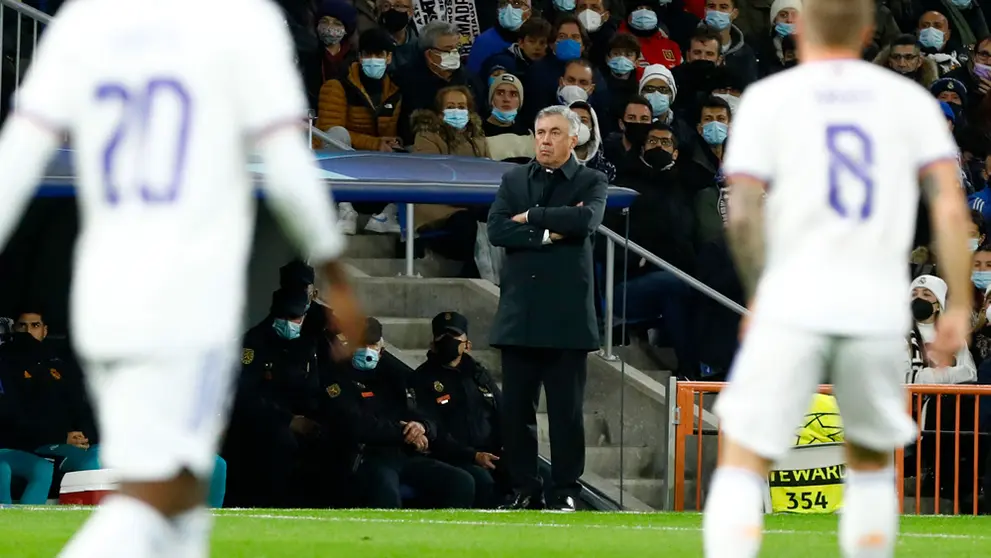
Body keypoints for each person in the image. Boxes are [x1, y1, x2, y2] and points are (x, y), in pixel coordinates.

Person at [0, 0, 367, 555]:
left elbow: (20, 150)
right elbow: (287, 158)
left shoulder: (89, 21)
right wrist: (333, 265)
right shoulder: (245, 24)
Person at [702, 1, 972, 558]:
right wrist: (960, 308)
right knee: (871, 461)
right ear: (870, 33)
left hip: (793, 296)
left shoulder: (768, 99)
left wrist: (758, 293)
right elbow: (949, 208)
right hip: (875, 302)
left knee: (745, 453)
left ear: (799, 26)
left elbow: (747, 210)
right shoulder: (908, 101)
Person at [487, 105, 607, 511]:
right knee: (516, 412)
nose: (545, 140)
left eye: (555, 133)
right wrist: (549, 231)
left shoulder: (592, 180)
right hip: (519, 315)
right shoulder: (514, 178)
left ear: (574, 139)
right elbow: (499, 229)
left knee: (565, 414)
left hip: (567, 320)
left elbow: (587, 222)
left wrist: (531, 217)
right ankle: (524, 486)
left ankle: (566, 490)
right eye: (540, 132)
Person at [321, 317, 476, 508]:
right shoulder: (335, 377)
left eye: (372, 344)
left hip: (403, 455)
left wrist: (422, 427)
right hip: (365, 457)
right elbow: (355, 424)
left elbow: (423, 413)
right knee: (385, 490)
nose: (367, 349)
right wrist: (404, 433)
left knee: (460, 482)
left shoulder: (394, 375)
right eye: (361, 343)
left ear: (381, 348)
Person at [412, 311, 508, 508]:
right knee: (482, 482)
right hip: (455, 457)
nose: (448, 341)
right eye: (442, 336)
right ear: (433, 343)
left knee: (537, 476)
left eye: (454, 337)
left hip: (492, 453)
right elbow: (435, 432)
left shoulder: (479, 375)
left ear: (467, 345)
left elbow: (503, 413)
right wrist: (472, 455)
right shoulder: (422, 379)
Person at [701, 0, 758, 85]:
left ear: (735, 13)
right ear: (705, 11)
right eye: (711, 6)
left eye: (723, 7)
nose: (717, 11)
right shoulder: (690, 43)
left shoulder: (745, 53)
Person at [468, 0, 533, 74]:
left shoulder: (537, 39)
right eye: (504, 3)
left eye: (517, 3)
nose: (509, 7)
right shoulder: (485, 42)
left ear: (529, 12)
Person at [617, 0, 684, 70]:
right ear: (629, 14)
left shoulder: (671, 46)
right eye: (639, 8)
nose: (644, 12)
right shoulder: (617, 44)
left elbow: (681, 76)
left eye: (648, 9)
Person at [485, 74, 536, 164]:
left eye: (513, 94)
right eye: (500, 93)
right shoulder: (478, 133)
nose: (506, 99)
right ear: (491, 99)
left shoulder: (528, 134)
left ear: (520, 102)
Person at [569, 100, 617, 182]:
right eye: (572, 121)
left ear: (593, 127)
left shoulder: (607, 169)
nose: (577, 125)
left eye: (583, 120)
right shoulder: (552, 166)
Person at [875, 34, 940, 89]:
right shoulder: (875, 85)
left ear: (919, 61)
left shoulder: (933, 90)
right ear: (889, 61)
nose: (902, 64)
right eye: (896, 57)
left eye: (908, 57)